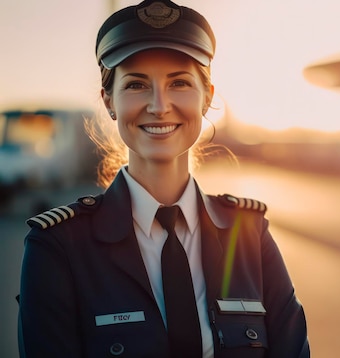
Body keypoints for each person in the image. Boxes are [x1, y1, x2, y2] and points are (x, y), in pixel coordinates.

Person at [17, 1, 310, 357]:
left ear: (207, 98)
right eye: (137, 84)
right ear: (109, 100)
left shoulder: (250, 234)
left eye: (180, 83)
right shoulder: (58, 247)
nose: (159, 105)